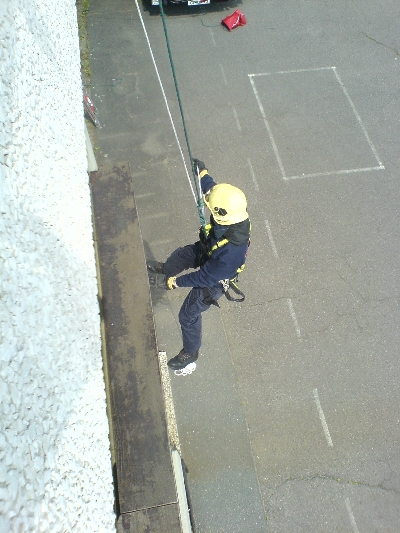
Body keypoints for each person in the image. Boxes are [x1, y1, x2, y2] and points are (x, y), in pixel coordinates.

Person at [147, 159, 251, 370]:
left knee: (188, 314)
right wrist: (202, 172)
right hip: (210, 252)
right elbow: (212, 191)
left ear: (220, 215)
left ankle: (191, 352)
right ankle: (166, 269)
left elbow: (204, 277)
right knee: (182, 255)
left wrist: (177, 282)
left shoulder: (232, 253)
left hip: (215, 280)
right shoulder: (231, 212)